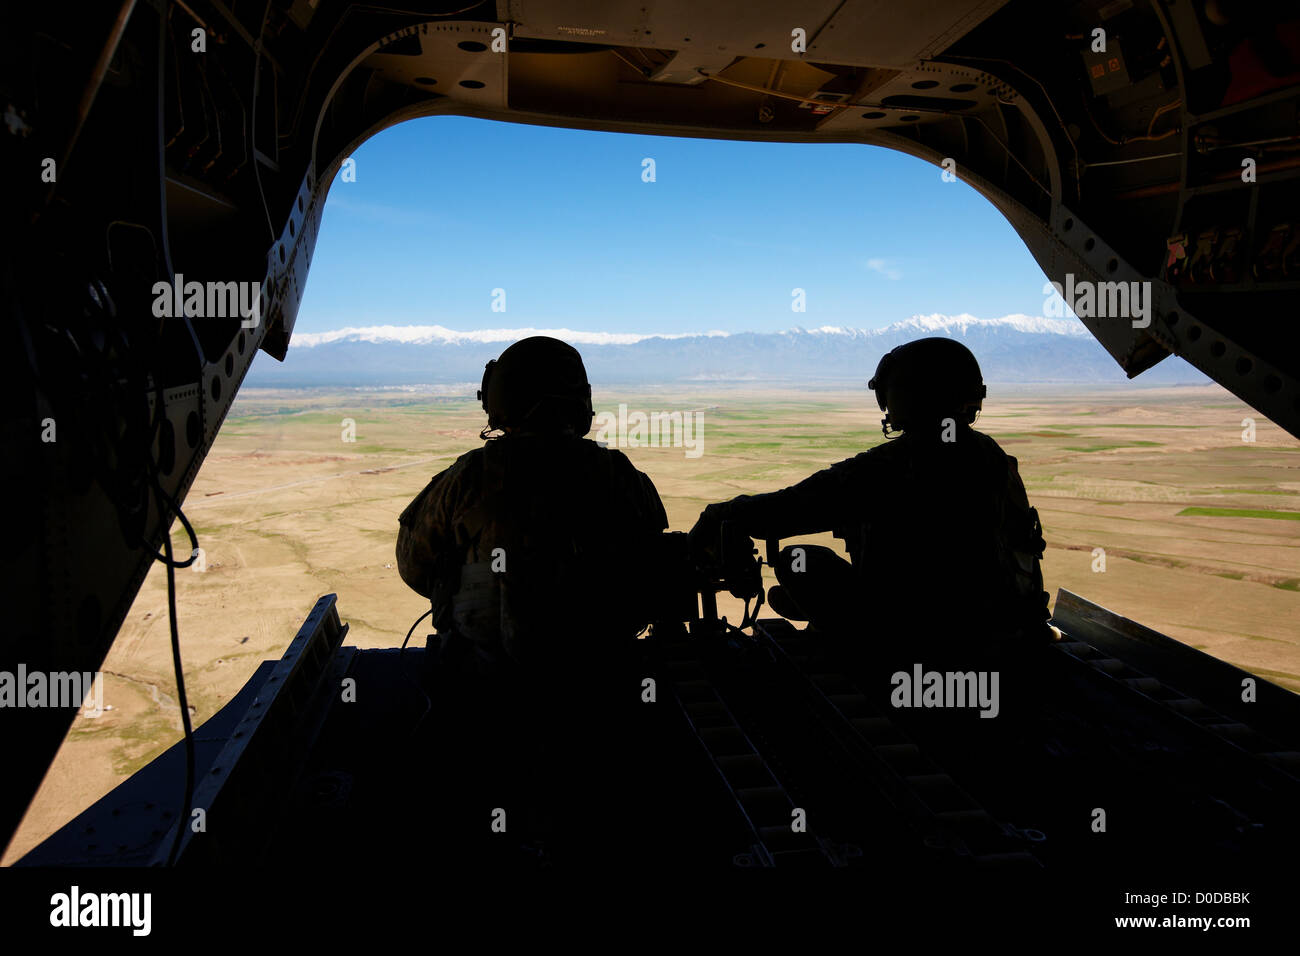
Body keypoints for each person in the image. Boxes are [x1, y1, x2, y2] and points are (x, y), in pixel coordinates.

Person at [395, 335, 668, 861]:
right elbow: (651, 576)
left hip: (484, 699)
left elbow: (416, 566)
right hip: (599, 700)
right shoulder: (621, 479)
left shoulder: (467, 478)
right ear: (581, 402)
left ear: (499, 400)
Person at [689, 337, 1055, 659]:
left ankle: (850, 640)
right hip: (1009, 630)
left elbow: (786, 509)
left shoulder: (896, 465)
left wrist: (719, 514)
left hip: (924, 642)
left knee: (794, 560)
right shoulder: (993, 457)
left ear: (908, 396)